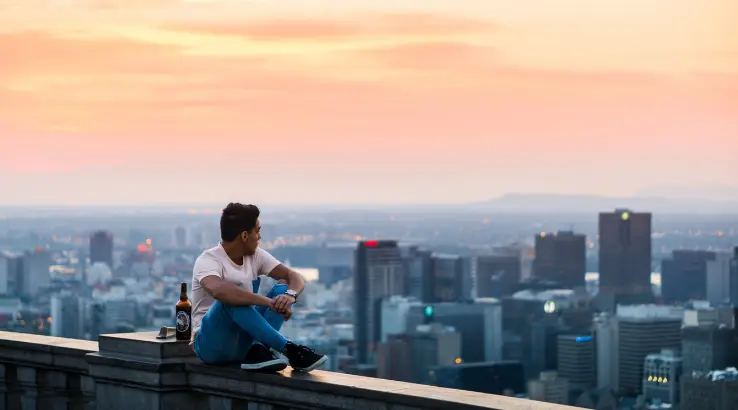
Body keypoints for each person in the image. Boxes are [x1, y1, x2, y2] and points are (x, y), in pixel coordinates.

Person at [190, 202, 327, 372]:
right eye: (258, 231)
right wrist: (268, 303)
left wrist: (290, 296)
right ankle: (289, 350)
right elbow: (219, 291)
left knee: (283, 288)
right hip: (211, 346)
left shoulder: (255, 256)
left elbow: (294, 277)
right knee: (229, 300)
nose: (260, 237)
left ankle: (257, 351)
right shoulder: (208, 260)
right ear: (245, 235)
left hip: (244, 342)